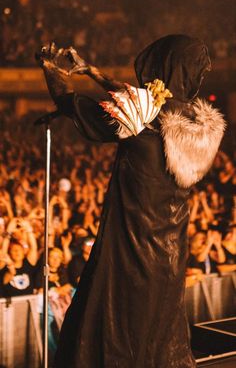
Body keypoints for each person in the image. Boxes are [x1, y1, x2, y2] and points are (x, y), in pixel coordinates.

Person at [36, 35, 225, 368]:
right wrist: (94, 73)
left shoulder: (143, 117)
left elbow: (78, 108)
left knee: (116, 326)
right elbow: (143, 104)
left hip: (131, 244)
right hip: (169, 252)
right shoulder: (198, 125)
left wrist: (54, 72)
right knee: (158, 329)